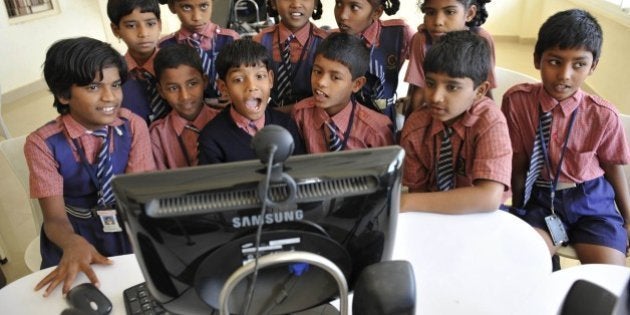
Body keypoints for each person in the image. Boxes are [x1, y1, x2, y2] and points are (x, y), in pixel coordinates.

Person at [25, 37, 155, 296]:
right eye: (94, 86)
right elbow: (54, 219)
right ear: (63, 94)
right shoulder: (41, 143)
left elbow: (137, 196)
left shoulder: (132, 125)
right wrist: (72, 242)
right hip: (73, 232)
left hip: (124, 227)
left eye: (116, 85)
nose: (110, 97)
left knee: (136, 292)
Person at [502, 9, 630, 265]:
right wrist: (519, 210)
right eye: (555, 61)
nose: (564, 75)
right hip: (540, 197)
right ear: (538, 59)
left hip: (593, 203)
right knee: (527, 265)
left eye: (579, 64)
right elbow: (519, 162)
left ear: (592, 66)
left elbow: (614, 170)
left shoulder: (603, 115)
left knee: (605, 280)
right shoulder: (517, 102)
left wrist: (628, 219)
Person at [399, 30, 511, 214]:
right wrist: (411, 202)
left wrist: (406, 203)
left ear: (480, 91)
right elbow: (417, 191)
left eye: (452, 87)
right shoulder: (416, 126)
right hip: (432, 213)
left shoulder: (490, 122)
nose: (435, 97)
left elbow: (489, 197)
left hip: (481, 215)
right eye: (430, 83)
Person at [198, 39, 306, 164]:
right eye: (238, 79)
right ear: (224, 88)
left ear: (270, 80)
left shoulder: (286, 125)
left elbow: (300, 175)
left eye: (259, 76)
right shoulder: (212, 137)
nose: (252, 86)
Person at [292, 32, 394, 153]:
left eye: (335, 77)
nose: (321, 82)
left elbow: (385, 170)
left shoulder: (376, 129)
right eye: (317, 71)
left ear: (357, 84)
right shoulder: (300, 114)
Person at [404, 0, 495, 116]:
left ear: (469, 13)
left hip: (470, 116)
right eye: (430, 12)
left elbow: (486, 93)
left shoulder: (482, 39)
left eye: (450, 12)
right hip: (434, 112)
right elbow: (418, 91)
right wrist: (409, 126)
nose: (438, 22)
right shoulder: (422, 40)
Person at [334, 0, 414, 129]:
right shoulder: (332, 40)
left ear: (377, 12)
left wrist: (412, 98)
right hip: (346, 122)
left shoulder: (399, 34)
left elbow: (425, 66)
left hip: (385, 118)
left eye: (354, 7)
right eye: (338, 4)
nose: (342, 15)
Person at [158, 0, 240, 108]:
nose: (197, 17)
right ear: (172, 7)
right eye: (186, 7)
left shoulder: (231, 39)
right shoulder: (164, 46)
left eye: (204, 6)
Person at [149, 44, 219, 169]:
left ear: (205, 81)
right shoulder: (158, 135)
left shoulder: (225, 120)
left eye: (192, 84)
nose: (185, 96)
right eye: (173, 88)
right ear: (161, 91)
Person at [253, 0, 328, 112]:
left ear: (315, 3)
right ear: (273, 3)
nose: (296, 4)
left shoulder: (325, 44)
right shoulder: (260, 40)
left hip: (310, 118)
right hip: (267, 117)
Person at [107, 0, 169, 125]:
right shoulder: (113, 76)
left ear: (159, 24)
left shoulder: (178, 65)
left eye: (150, 24)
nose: (143, 33)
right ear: (115, 30)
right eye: (131, 25)